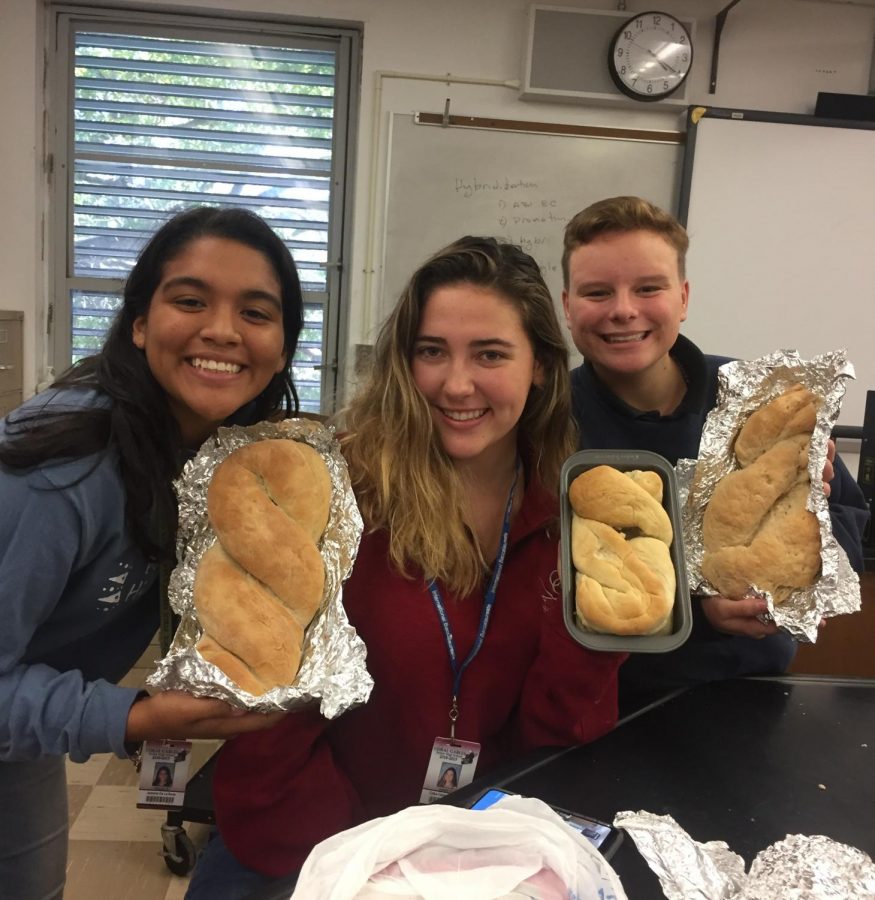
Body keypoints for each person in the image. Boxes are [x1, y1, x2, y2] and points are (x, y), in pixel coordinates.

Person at [185, 236, 625, 898]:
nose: (455, 383)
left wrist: (599, 642)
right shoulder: (337, 494)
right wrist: (362, 857)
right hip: (307, 850)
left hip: (464, 859)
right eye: (431, 351)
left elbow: (552, 740)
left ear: (539, 366)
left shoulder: (570, 522)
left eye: (490, 354)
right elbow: (267, 711)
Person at [0, 205, 305, 899]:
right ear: (139, 323)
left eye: (256, 312)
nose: (222, 330)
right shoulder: (62, 472)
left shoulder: (212, 456)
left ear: (282, 346)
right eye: (190, 300)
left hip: (23, 736)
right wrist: (134, 716)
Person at [560, 195, 870, 714]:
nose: (623, 309)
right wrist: (698, 613)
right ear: (567, 307)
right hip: (599, 703)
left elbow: (846, 537)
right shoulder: (546, 422)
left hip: (752, 693)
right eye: (597, 292)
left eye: (648, 288)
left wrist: (809, 534)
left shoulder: (763, 405)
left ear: (682, 298)